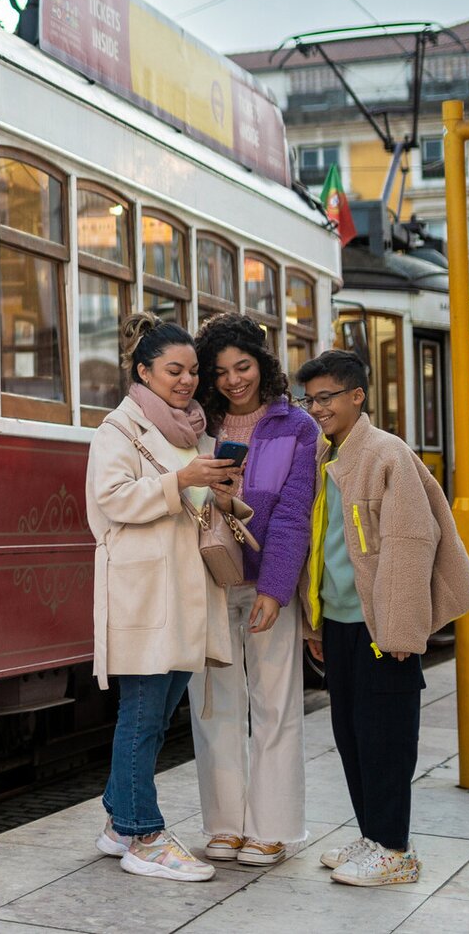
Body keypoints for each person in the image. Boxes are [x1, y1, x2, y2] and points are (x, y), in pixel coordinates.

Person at [297, 349, 469, 888]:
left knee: (386, 737)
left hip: (383, 626)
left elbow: (409, 542)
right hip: (343, 622)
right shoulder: (326, 457)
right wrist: (315, 624)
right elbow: (318, 546)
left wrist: (403, 628)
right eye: (310, 400)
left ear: (357, 396)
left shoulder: (386, 455)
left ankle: (395, 849)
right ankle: (372, 834)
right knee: (352, 735)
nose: (318, 409)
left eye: (326, 397)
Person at [88, 313, 238, 882]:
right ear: (143, 370)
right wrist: (180, 482)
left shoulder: (191, 433)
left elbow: (190, 506)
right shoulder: (118, 430)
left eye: (192, 371)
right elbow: (112, 499)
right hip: (145, 590)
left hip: (184, 588)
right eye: (173, 370)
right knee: (143, 713)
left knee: (158, 710)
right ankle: (142, 835)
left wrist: (219, 491)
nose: (186, 380)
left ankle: (115, 823)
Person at [190, 313, 321, 867]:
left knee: (275, 705)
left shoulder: (296, 427)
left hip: (267, 583)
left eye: (242, 366)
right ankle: (224, 826)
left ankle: (271, 828)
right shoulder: (195, 423)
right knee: (213, 706)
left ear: (261, 365)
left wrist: (275, 587)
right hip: (208, 582)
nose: (232, 380)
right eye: (219, 371)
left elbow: (294, 513)